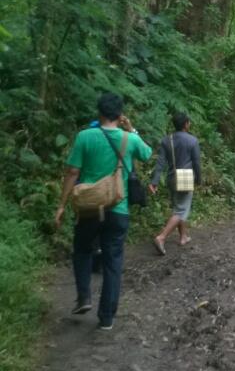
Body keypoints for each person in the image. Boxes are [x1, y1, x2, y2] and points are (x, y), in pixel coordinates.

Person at [55, 92, 152, 331]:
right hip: (117, 208)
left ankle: (84, 297)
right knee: (113, 261)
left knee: (82, 250)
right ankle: (106, 318)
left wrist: (61, 205)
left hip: (88, 207)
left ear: (99, 114)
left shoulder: (85, 137)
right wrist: (132, 129)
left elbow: (72, 173)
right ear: (120, 116)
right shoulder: (129, 139)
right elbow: (148, 154)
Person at [149, 111, 202, 256]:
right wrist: (199, 179)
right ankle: (161, 237)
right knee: (181, 210)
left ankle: (183, 236)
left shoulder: (167, 140)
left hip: (171, 178)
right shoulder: (192, 141)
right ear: (186, 124)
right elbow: (197, 163)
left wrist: (154, 181)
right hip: (185, 178)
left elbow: (160, 163)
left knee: (179, 207)